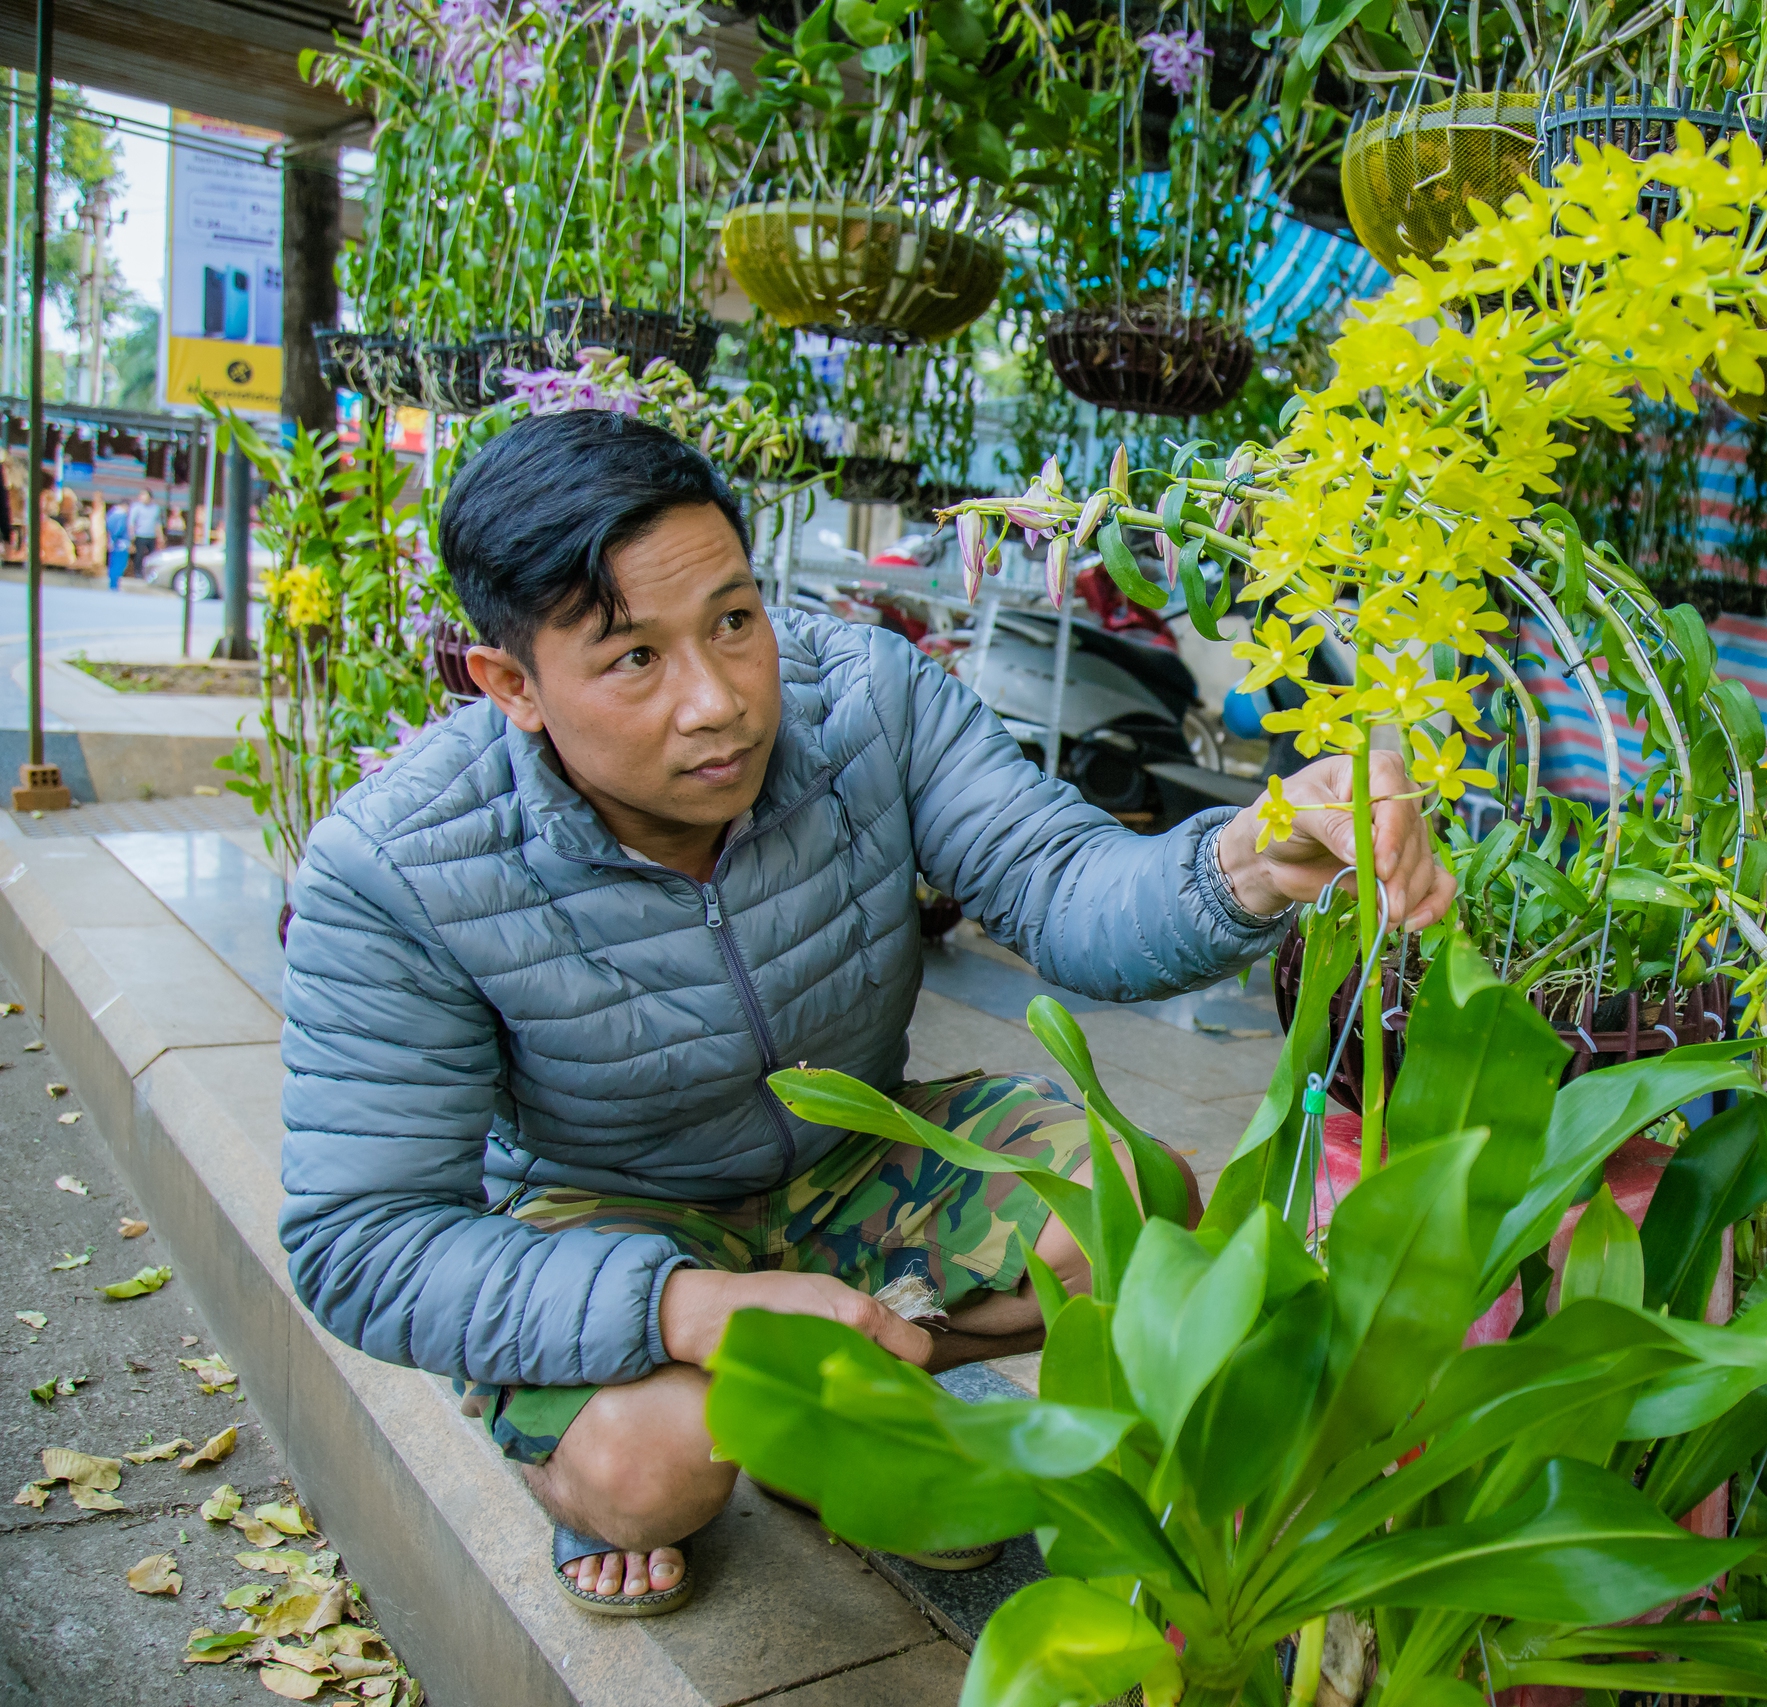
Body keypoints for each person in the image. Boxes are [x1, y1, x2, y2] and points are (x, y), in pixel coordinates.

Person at [278, 411, 1451, 1617]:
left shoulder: (868, 701)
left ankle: (817, 1422)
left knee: (1128, 1208)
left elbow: (1057, 883)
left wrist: (1254, 855)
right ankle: (646, 1448)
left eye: (735, 622)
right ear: (511, 684)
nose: (717, 701)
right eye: (634, 659)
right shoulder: (398, 867)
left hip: (852, 1154)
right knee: (648, 1472)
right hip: (607, 1210)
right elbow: (362, 1236)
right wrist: (692, 1308)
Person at [103, 494, 129, 589]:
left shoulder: (110, 514)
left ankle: (112, 583)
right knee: (119, 564)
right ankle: (114, 584)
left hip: (113, 543)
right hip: (121, 543)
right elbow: (119, 529)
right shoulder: (121, 515)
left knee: (113, 563)